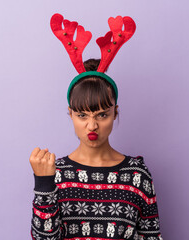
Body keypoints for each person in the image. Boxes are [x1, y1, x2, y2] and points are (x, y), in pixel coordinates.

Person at [29, 13, 163, 240]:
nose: (92, 125)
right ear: (70, 114)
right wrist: (43, 183)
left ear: (115, 113)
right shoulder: (56, 174)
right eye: (82, 115)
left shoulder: (137, 175)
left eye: (102, 114)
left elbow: (152, 237)